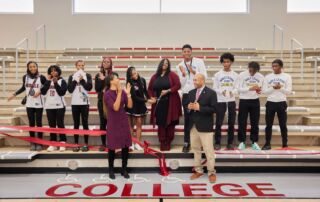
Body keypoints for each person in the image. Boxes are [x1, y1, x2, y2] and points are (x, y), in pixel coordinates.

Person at [8, 61, 46, 151]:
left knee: (39, 123)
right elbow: (23, 87)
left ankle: (40, 142)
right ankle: (33, 142)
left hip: (39, 103)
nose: (32, 68)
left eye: (34, 66)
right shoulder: (25, 77)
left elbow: (46, 87)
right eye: (30, 67)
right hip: (29, 104)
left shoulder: (42, 77)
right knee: (31, 123)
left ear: (37, 67)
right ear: (28, 68)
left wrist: (40, 91)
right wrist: (14, 94)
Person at [176, 44, 207, 153]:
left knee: (200, 118)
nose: (186, 53)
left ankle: (202, 143)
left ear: (191, 52)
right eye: (184, 51)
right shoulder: (179, 65)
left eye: (188, 51)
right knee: (188, 120)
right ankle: (186, 142)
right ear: (182, 53)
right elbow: (181, 84)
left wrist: (194, 72)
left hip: (198, 93)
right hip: (187, 94)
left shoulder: (199, 62)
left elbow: (205, 77)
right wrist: (184, 75)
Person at [188, 73, 217, 183]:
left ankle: (211, 172)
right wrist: (189, 107)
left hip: (205, 126)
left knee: (208, 150)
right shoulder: (191, 92)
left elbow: (214, 109)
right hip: (193, 126)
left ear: (202, 80)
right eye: (194, 80)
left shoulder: (211, 93)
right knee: (195, 149)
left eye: (196, 80)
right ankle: (198, 170)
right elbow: (188, 107)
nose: (194, 82)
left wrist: (200, 108)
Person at [148, 58, 182, 151]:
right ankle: (162, 141)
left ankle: (168, 141)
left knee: (170, 123)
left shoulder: (172, 75)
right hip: (159, 103)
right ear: (160, 64)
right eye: (163, 62)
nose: (165, 64)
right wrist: (152, 97)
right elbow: (150, 89)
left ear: (168, 65)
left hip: (171, 102)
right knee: (161, 123)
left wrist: (168, 91)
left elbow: (178, 85)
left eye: (167, 63)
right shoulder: (155, 76)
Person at [104, 72, 132, 179]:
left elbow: (129, 105)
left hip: (123, 121)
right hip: (113, 122)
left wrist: (128, 94)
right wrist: (120, 92)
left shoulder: (122, 92)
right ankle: (111, 169)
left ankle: (124, 169)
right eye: (116, 78)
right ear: (111, 81)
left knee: (125, 146)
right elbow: (115, 107)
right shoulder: (107, 94)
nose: (118, 80)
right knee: (112, 147)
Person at [262, 59, 292, 150]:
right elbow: (265, 92)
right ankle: (267, 144)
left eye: (276, 66)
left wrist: (280, 88)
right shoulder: (268, 77)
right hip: (270, 103)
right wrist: (273, 88)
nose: (274, 68)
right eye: (273, 66)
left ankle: (285, 144)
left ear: (281, 67)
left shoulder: (287, 76)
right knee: (268, 125)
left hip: (282, 103)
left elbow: (288, 92)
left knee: (283, 124)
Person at [214, 53, 238, 150]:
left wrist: (233, 92)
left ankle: (230, 143)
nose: (226, 63)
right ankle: (217, 142)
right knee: (218, 123)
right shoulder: (217, 75)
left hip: (231, 101)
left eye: (228, 61)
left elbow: (237, 87)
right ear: (222, 62)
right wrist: (221, 91)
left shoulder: (235, 75)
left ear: (231, 62)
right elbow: (215, 87)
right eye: (224, 62)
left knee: (231, 123)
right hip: (220, 101)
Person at [237, 62, 264, 150]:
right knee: (242, 122)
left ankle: (254, 142)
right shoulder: (242, 75)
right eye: (250, 71)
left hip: (255, 101)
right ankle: (242, 142)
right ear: (248, 68)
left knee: (255, 123)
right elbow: (238, 89)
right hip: (244, 100)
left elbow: (261, 90)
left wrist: (259, 90)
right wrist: (250, 88)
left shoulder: (260, 76)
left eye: (254, 71)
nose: (252, 73)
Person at [126, 66, 154, 151]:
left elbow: (145, 91)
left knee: (139, 124)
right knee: (131, 125)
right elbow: (134, 97)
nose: (135, 75)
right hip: (132, 105)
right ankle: (131, 143)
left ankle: (137, 143)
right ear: (130, 76)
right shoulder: (129, 83)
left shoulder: (142, 80)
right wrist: (147, 100)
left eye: (135, 72)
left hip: (140, 105)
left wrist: (150, 98)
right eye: (133, 74)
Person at [67, 60, 93, 152]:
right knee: (76, 124)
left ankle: (86, 143)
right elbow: (69, 89)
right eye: (79, 65)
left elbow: (89, 88)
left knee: (85, 123)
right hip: (75, 103)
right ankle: (76, 143)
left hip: (85, 102)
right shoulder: (71, 76)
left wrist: (82, 80)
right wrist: (75, 80)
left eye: (82, 65)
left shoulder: (88, 75)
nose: (81, 67)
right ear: (76, 66)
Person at [42, 65, 68, 152]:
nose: (53, 72)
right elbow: (43, 92)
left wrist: (56, 83)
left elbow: (62, 93)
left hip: (60, 106)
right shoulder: (47, 81)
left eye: (55, 70)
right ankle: (53, 143)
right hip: (49, 106)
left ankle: (62, 142)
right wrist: (48, 81)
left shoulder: (62, 81)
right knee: (51, 125)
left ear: (58, 71)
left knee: (60, 124)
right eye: (51, 71)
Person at [95, 57, 113, 151]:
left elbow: (113, 85)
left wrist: (105, 78)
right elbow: (97, 89)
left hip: (111, 100)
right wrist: (102, 80)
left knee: (111, 122)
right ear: (102, 63)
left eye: (108, 62)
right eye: (104, 62)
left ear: (110, 64)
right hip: (101, 101)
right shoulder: (98, 75)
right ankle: (103, 143)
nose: (106, 63)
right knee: (103, 122)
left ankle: (111, 142)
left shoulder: (114, 74)